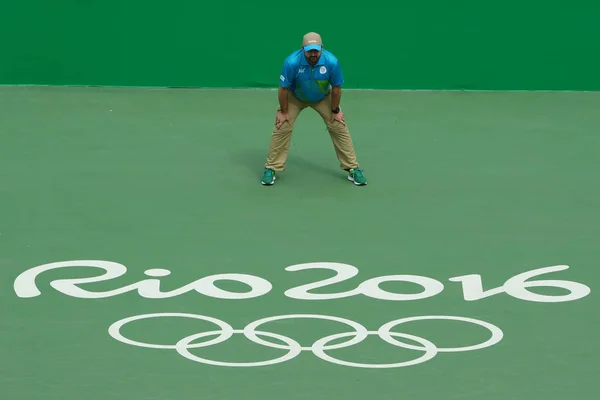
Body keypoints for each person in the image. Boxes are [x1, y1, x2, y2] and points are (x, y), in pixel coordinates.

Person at [261, 32, 367, 186]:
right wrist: (283, 112)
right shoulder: (291, 62)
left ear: (322, 48)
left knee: (339, 126)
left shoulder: (331, 62)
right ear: (302, 49)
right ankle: (271, 168)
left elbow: (336, 88)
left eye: (316, 50)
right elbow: (283, 89)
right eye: (309, 50)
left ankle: (352, 168)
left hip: (323, 97)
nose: (313, 54)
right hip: (295, 97)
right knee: (281, 126)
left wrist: (335, 111)